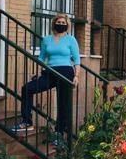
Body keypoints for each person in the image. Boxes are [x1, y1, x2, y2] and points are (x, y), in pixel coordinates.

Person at [11, 14, 80, 147]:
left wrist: (76, 76)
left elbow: (76, 60)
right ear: (54, 24)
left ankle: (59, 134)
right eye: (58, 22)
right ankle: (26, 122)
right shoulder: (47, 40)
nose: (60, 24)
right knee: (27, 88)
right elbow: (42, 58)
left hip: (66, 72)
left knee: (63, 104)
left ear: (67, 25)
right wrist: (37, 71)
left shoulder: (71, 40)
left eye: (63, 22)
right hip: (49, 72)